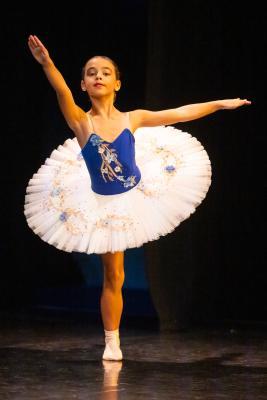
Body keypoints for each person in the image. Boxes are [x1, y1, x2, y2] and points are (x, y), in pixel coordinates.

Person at [25, 34, 251, 361]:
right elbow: (60, 91)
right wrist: (47, 63)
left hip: (136, 190)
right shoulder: (81, 121)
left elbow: (179, 113)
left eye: (105, 72)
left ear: (117, 83)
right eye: (91, 72)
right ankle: (112, 340)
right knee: (114, 273)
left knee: (120, 270)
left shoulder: (134, 118)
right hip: (102, 200)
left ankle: (115, 336)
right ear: (84, 85)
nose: (98, 76)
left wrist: (219, 104)